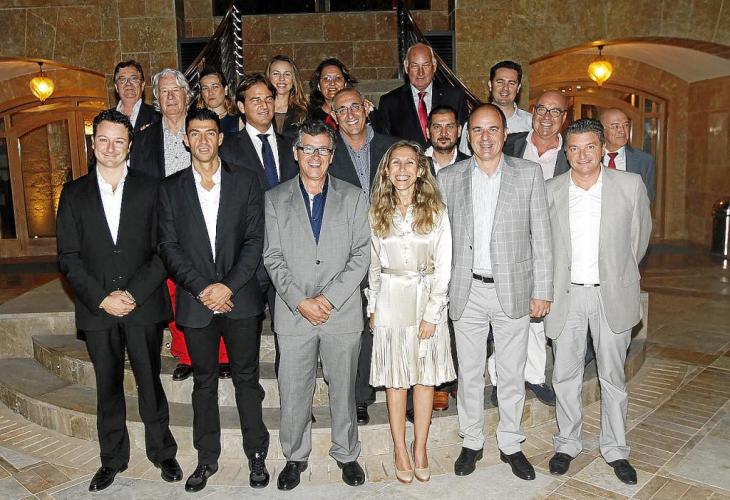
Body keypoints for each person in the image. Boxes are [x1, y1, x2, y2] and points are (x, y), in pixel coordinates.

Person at [56, 109, 180, 492]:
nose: (110, 148)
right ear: (93, 144)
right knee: (107, 385)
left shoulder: (152, 188)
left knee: (149, 381)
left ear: (130, 146)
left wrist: (132, 294)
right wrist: (102, 298)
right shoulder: (73, 193)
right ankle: (112, 459)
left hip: (142, 304)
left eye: (119, 141)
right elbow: (68, 257)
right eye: (104, 140)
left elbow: (164, 249)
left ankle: (163, 452)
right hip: (97, 309)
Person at [157, 108, 270, 492]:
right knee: (203, 384)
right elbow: (168, 247)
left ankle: (257, 453)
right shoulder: (170, 189)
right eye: (195, 133)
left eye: (210, 132)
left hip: (241, 300)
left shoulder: (247, 181)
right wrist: (204, 289)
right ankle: (206, 459)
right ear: (185, 139)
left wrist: (228, 287)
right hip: (196, 302)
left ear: (221, 138)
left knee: (247, 380)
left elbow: (255, 240)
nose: (203, 140)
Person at [438, 104, 553, 480]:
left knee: (511, 372)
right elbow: (440, 239)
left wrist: (542, 290)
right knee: (469, 373)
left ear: (505, 134)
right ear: (467, 136)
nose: (485, 137)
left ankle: (511, 443)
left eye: (492, 130)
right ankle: (471, 441)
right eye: (477, 130)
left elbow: (542, 236)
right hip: (466, 290)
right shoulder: (449, 177)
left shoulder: (528, 173)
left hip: (514, 289)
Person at [263, 120, 369, 491]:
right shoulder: (275, 199)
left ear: (331, 155)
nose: (314, 156)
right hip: (294, 314)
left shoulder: (354, 196)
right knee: (294, 390)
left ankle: (347, 453)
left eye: (322, 149)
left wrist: (327, 299)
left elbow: (361, 254)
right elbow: (272, 256)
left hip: (342, 312)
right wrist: (300, 301)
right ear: (296, 153)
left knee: (344, 389)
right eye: (307, 148)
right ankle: (295, 456)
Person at [545, 118, 651, 485]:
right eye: (574, 148)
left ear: (603, 148)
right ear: (566, 152)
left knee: (613, 377)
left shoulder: (629, 185)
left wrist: (617, 275)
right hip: (567, 296)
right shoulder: (551, 190)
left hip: (611, 294)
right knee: (564, 375)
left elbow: (639, 239)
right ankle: (567, 443)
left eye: (590, 146)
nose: (582, 155)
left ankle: (616, 448)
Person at [130, 68, 230, 382]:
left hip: (208, 225)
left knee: (214, 288)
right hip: (165, 230)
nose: (170, 97)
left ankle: (222, 356)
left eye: (176, 91)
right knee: (175, 295)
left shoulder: (203, 129)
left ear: (187, 95)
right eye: (164, 92)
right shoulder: (143, 139)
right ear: (156, 99)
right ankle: (185, 355)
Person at [367, 140, 455, 484]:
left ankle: (420, 447)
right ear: (386, 171)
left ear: (420, 170)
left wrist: (433, 313)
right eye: (395, 163)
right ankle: (399, 449)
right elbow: (374, 265)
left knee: (424, 378)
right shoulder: (377, 211)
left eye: (409, 163)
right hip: (390, 300)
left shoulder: (436, 211)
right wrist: (372, 305)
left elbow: (444, 266)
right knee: (395, 381)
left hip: (426, 300)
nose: (402, 169)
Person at [488, 89, 571, 409]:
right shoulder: (510, 144)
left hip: (550, 245)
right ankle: (501, 378)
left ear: (564, 118)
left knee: (537, 313)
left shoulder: (570, 154)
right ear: (532, 112)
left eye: (555, 111)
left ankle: (535, 376)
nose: (547, 117)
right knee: (504, 314)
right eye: (541, 109)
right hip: (508, 243)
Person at [327, 87, 398, 424]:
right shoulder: (327, 152)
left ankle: (400, 387)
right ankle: (360, 395)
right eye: (342, 109)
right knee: (355, 325)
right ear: (333, 115)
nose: (350, 114)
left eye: (355, 106)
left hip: (391, 249)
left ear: (366, 108)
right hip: (346, 252)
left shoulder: (391, 147)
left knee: (393, 321)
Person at [378, 43, 468, 148]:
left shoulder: (455, 97)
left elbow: (463, 140)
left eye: (426, 65)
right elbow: (384, 143)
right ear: (406, 68)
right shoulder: (389, 102)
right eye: (415, 66)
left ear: (434, 66)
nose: (420, 73)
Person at [458, 60, 531, 154]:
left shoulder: (531, 123)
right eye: (500, 82)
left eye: (511, 83)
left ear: (518, 88)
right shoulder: (473, 122)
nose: (505, 88)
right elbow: (465, 159)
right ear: (490, 85)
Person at [599, 108, 656, 201]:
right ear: (602, 130)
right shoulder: (591, 158)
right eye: (615, 126)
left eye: (625, 125)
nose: (622, 131)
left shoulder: (644, 160)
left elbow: (647, 197)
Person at [112, 60, 160, 135]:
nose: (128, 83)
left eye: (134, 79)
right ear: (116, 87)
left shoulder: (158, 117)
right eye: (122, 79)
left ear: (142, 85)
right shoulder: (105, 119)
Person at [266, 54, 309, 137]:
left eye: (287, 74)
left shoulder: (305, 112)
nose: (281, 78)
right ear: (268, 77)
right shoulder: (259, 109)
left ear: (293, 79)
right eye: (276, 73)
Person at [308, 58, 356, 128]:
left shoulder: (358, 112)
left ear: (345, 83)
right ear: (318, 85)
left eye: (337, 78)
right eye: (326, 79)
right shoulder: (309, 117)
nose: (332, 83)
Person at [195, 66, 240, 135]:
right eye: (205, 88)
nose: (210, 92)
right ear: (201, 94)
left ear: (225, 90)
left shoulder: (239, 121)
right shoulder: (195, 122)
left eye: (215, 87)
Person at [426, 105, 469, 174]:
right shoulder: (417, 164)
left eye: (450, 127)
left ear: (459, 131)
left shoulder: (471, 165)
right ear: (428, 132)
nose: (443, 133)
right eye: (437, 127)